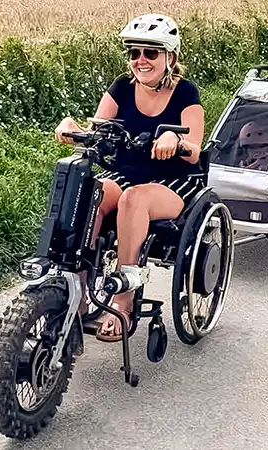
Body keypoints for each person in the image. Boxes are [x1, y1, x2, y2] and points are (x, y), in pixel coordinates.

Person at [54, 13, 205, 342]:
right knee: (90, 192)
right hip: (124, 173)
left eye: (151, 53)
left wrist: (175, 141)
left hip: (172, 182)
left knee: (133, 199)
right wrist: (71, 129)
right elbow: (96, 129)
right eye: (134, 52)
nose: (141, 60)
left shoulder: (185, 93)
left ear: (170, 57)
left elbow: (194, 148)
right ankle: (77, 290)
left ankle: (123, 299)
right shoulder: (122, 88)